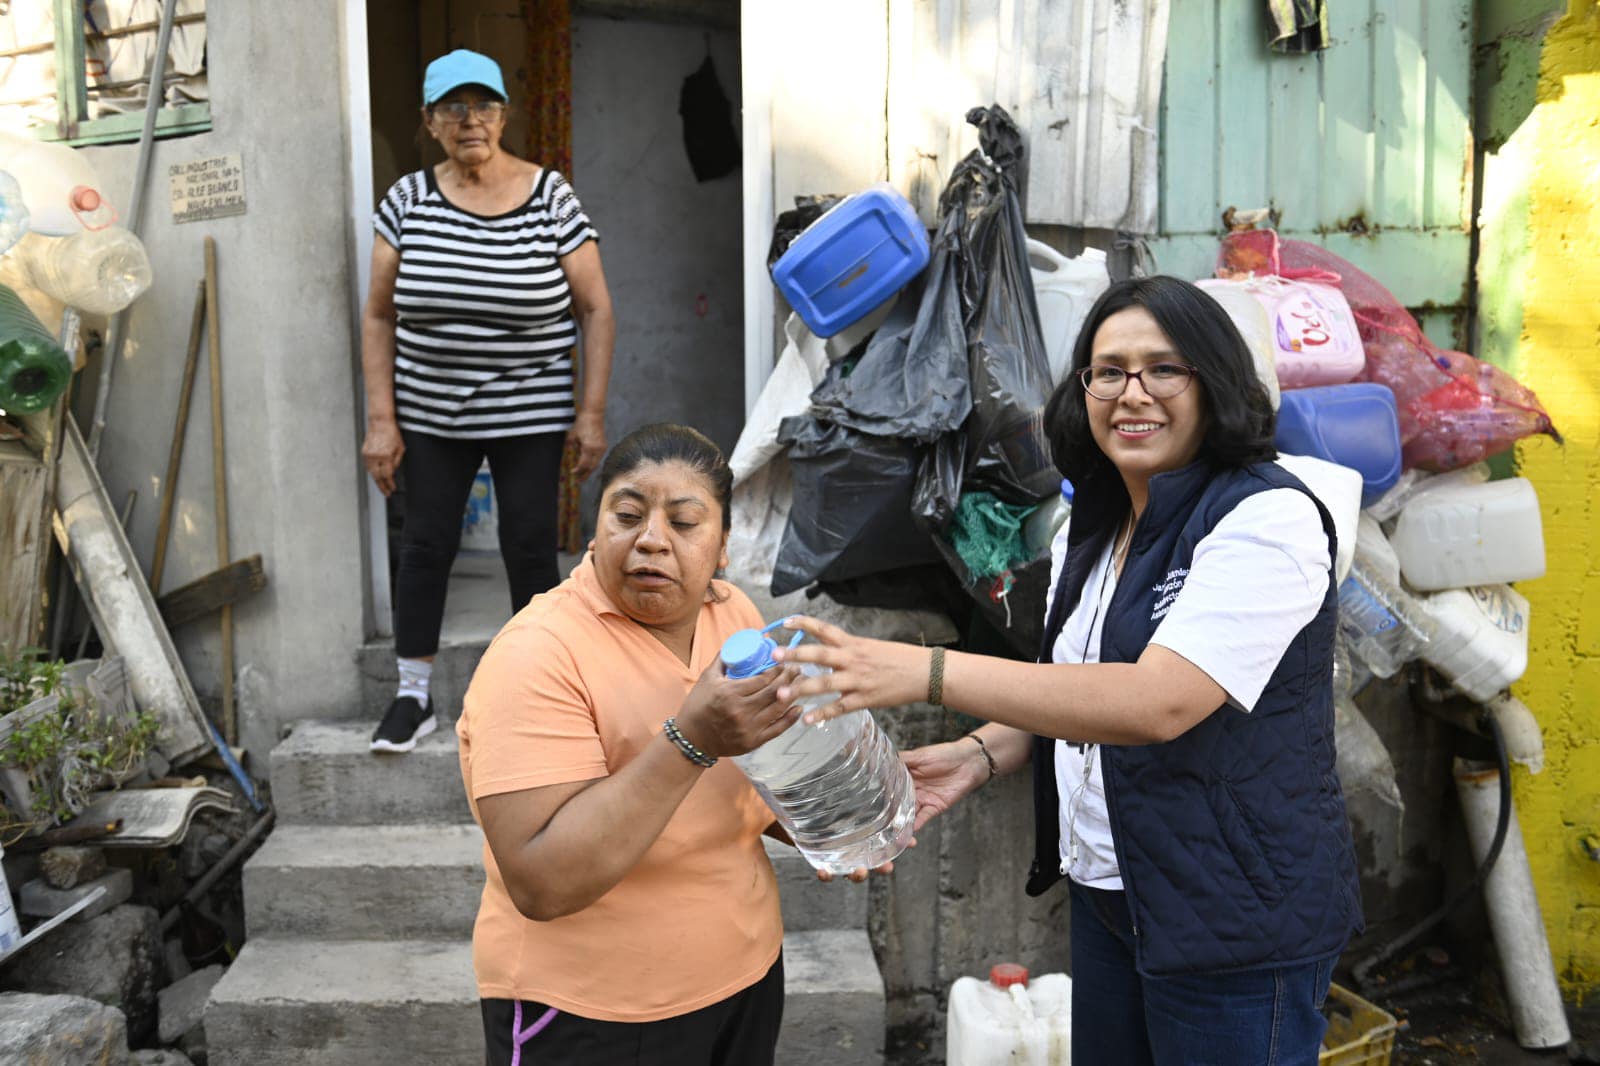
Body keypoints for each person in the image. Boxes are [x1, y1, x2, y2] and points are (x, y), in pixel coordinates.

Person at [775, 276, 1363, 1065]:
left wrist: (926, 672)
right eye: (1108, 370)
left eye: (1164, 369)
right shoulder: (1099, 524)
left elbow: (1158, 701)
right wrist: (982, 752)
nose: (1132, 393)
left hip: (1235, 915)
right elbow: (1080, 680)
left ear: (1214, 382)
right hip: (1115, 894)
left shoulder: (1265, 518)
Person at [457, 423, 818, 1066]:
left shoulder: (731, 616)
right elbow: (540, 883)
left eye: (684, 522)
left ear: (724, 547)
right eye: (627, 515)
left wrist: (837, 819)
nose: (650, 539)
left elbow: (756, 780)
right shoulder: (537, 654)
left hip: (745, 973)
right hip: (590, 1011)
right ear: (596, 529)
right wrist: (689, 742)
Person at [361, 48, 615, 752]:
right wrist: (382, 420)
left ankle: (546, 694)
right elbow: (379, 314)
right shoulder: (407, 199)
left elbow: (596, 308)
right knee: (425, 544)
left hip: (530, 408)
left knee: (530, 546)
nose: (470, 120)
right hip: (431, 409)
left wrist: (588, 413)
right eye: (453, 107)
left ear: (505, 115)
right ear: (430, 123)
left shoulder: (550, 196)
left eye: (484, 105)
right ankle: (414, 697)